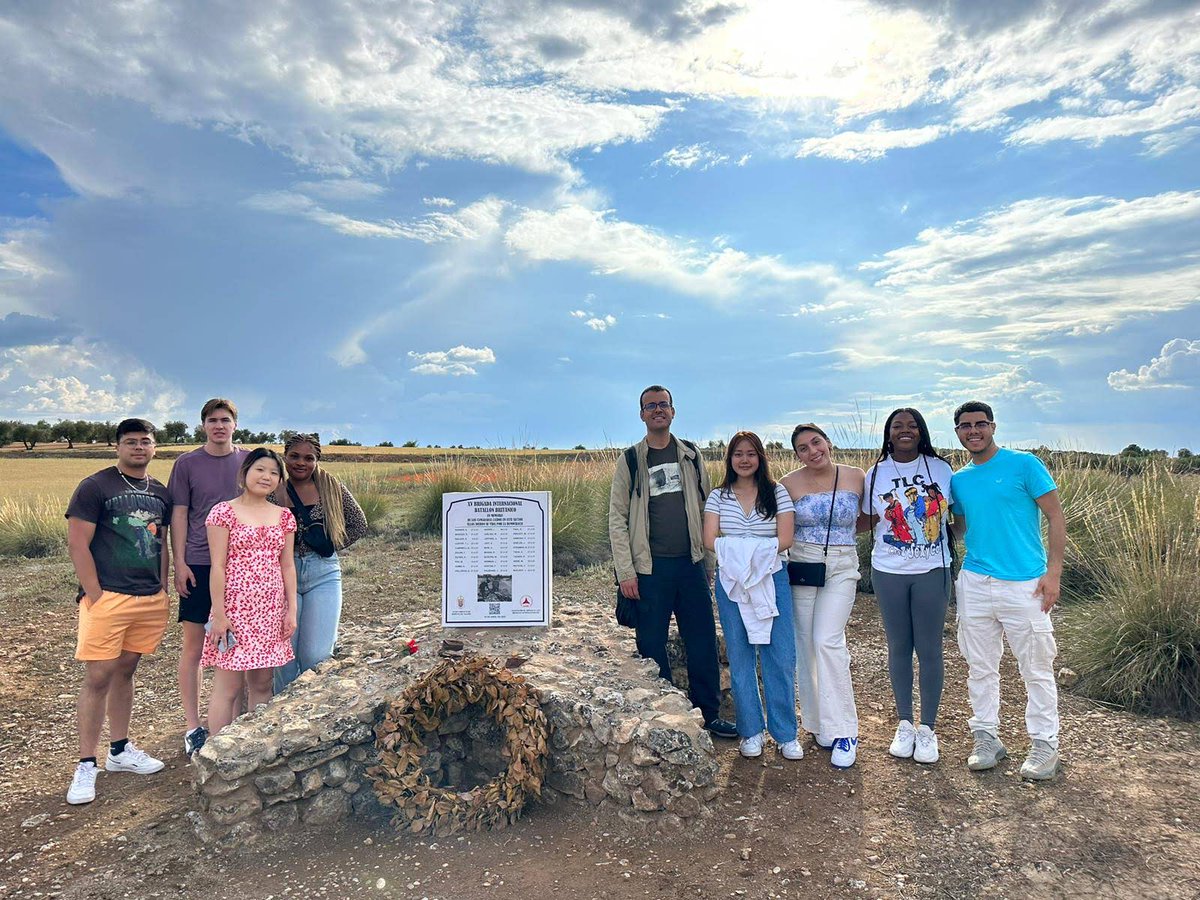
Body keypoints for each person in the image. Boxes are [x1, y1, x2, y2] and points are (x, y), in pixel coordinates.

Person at [608, 385, 736, 739]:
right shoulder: (631, 460)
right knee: (651, 644)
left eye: (663, 404)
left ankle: (709, 714)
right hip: (650, 571)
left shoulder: (692, 456)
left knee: (702, 641)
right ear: (642, 415)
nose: (657, 410)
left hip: (691, 564)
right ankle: (663, 717)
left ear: (673, 411)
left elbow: (708, 510)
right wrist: (626, 573)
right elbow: (617, 518)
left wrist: (709, 561)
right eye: (650, 406)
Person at [949, 401, 1066, 781]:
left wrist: (1054, 573)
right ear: (958, 432)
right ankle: (986, 737)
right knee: (980, 666)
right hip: (976, 582)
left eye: (980, 424)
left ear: (993, 426)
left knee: (1035, 667)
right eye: (965, 426)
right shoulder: (960, 480)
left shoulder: (1024, 464)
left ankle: (1045, 744)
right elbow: (962, 528)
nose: (974, 431)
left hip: (1026, 584)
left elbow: (1055, 516)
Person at [65, 418, 172, 804]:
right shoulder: (96, 487)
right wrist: (95, 595)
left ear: (155, 447)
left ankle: (120, 751)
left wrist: (162, 586)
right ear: (118, 447)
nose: (139, 448)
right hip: (108, 597)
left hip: (148, 598)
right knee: (98, 676)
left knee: (127, 669)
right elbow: (78, 544)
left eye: (145, 442)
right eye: (131, 442)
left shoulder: (160, 492)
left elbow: (163, 542)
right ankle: (86, 763)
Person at [861, 408, 954, 765]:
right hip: (889, 569)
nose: (905, 431)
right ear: (888, 433)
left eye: (912, 426)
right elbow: (867, 518)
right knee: (899, 645)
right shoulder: (875, 473)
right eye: (898, 426)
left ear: (922, 432)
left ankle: (927, 729)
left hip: (932, 567)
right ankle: (904, 723)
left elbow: (956, 518)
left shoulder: (941, 469)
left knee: (929, 647)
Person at [702, 431, 800, 759]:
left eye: (751, 453)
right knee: (741, 656)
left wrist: (748, 554)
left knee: (780, 655)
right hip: (732, 583)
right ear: (729, 459)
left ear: (760, 458)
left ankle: (785, 733)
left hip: (772, 579)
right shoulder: (719, 496)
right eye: (738, 453)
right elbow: (709, 538)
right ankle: (750, 731)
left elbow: (785, 538)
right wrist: (744, 557)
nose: (745, 459)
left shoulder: (777, 493)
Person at [781, 423, 866, 768]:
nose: (812, 450)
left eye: (816, 442)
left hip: (843, 565)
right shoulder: (788, 484)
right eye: (803, 447)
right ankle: (818, 724)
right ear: (797, 454)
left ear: (828, 442)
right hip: (803, 564)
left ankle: (846, 729)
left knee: (828, 640)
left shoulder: (856, 476)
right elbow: (781, 525)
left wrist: (841, 537)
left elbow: (869, 517)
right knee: (805, 643)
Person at [169, 398, 247, 756]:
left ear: (235, 425)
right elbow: (180, 515)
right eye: (212, 420)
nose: (219, 426)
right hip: (199, 563)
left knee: (241, 644)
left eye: (225, 420)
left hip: (242, 565)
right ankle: (192, 726)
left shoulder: (248, 461)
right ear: (203, 425)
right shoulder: (186, 463)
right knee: (195, 647)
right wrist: (179, 562)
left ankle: (239, 718)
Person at [201, 448, 298, 735]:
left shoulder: (284, 517)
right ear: (244, 473)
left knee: (262, 683)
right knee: (228, 687)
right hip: (233, 611)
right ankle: (217, 752)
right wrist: (219, 615)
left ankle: (255, 746)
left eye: (273, 472)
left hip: (269, 611)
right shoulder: (223, 512)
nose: (266, 477)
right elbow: (217, 566)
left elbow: (288, 566)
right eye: (260, 469)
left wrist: (290, 609)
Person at [272, 432, 369, 690]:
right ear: (285, 456)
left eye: (308, 458)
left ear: (317, 460)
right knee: (284, 657)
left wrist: (327, 545)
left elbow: (358, 524)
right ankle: (280, 715)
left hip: (323, 573)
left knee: (316, 655)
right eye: (294, 456)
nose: (300, 463)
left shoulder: (331, 487)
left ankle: (312, 709)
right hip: (282, 574)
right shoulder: (273, 490)